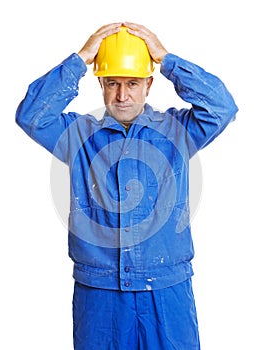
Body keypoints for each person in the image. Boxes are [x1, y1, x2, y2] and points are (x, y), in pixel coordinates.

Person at [16, 22, 238, 350]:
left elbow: (222, 108)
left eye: (133, 83)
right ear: (101, 85)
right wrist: (80, 59)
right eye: (113, 83)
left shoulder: (178, 131)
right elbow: (31, 116)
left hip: (165, 292)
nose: (122, 95)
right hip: (100, 295)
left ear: (149, 84)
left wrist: (167, 60)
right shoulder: (78, 136)